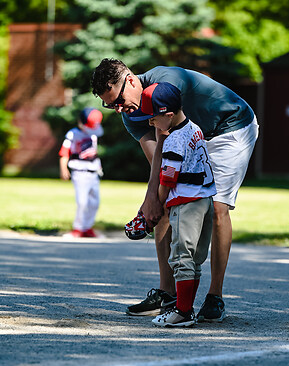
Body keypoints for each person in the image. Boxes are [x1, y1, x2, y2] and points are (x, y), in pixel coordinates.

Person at [91, 59, 259, 321]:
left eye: (118, 100)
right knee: (169, 200)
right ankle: (167, 293)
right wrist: (152, 203)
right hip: (192, 137)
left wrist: (150, 199)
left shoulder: (165, 84)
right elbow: (159, 162)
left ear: (132, 80)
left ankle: (215, 296)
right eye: (110, 105)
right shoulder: (131, 113)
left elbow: (166, 143)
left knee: (216, 207)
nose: (118, 109)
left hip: (228, 127)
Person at [129, 82, 216, 327]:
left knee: (180, 257)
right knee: (194, 259)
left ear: (168, 115)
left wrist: (155, 204)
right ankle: (186, 308)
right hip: (205, 200)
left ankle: (182, 312)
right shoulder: (195, 129)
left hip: (187, 205)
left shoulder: (174, 141)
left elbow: (167, 179)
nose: (149, 123)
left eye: (153, 118)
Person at [59, 107, 104, 238]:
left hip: (94, 172)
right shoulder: (72, 134)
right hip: (80, 172)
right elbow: (64, 152)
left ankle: (87, 227)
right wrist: (63, 169)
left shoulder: (94, 133)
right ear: (80, 122)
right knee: (82, 202)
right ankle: (78, 228)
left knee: (95, 202)